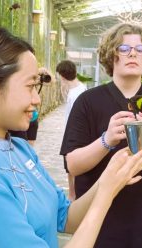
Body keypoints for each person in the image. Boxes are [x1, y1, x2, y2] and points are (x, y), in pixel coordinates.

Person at [0, 26, 142, 248]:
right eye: (31, 86)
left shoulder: (19, 148)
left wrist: (109, 177)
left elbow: (65, 217)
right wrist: (106, 194)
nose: (37, 99)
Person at [60, 23, 142, 248]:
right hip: (101, 228)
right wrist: (106, 140)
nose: (133, 53)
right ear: (111, 55)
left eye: (140, 49)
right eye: (124, 48)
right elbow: (73, 165)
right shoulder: (88, 102)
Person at [56, 60, 87, 200]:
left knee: (71, 167)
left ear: (62, 75)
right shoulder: (80, 88)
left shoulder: (75, 94)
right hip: (76, 132)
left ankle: (73, 196)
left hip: (74, 133)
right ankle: (73, 195)